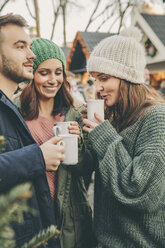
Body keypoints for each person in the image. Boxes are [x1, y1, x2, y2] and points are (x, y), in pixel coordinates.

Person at [82, 26, 165, 248]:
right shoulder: (114, 116)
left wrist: (104, 136)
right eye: (95, 79)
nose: (97, 87)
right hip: (106, 242)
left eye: (104, 78)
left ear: (126, 77)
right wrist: (86, 135)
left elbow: (140, 192)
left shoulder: (156, 118)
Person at [18, 37, 95, 248]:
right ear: (31, 75)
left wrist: (78, 142)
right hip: (30, 213)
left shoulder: (75, 112)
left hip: (71, 217)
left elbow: (86, 168)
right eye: (44, 73)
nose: (53, 80)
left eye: (58, 72)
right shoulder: (15, 112)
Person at [0, 13, 68, 248]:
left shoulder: (8, 107)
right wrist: (38, 157)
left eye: (30, 46)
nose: (31, 55)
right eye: (20, 47)